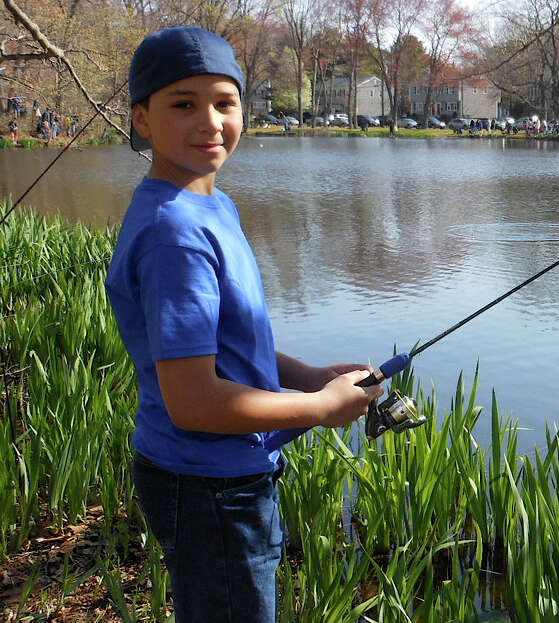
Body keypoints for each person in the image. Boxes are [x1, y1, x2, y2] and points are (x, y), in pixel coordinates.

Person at [103, 26, 384, 623]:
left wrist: (305, 375)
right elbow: (195, 402)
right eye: (184, 103)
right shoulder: (174, 232)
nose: (210, 122)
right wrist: (320, 409)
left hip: (218, 477)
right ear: (142, 119)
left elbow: (224, 340)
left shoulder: (213, 206)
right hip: (208, 488)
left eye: (225, 103)